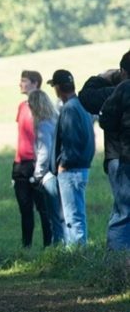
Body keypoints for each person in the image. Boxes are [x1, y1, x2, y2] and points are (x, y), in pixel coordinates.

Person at [49, 69, 95, 246]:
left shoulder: (69, 108)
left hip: (71, 169)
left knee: (72, 217)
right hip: (82, 167)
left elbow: (71, 140)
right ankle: (77, 253)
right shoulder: (81, 105)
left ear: (58, 88)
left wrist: (63, 164)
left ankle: (76, 256)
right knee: (76, 214)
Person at [12, 71, 51, 248]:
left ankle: (48, 245)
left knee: (43, 208)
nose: (20, 84)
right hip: (20, 163)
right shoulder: (21, 106)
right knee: (24, 208)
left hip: (36, 163)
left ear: (35, 83)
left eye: (24, 81)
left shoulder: (42, 106)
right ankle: (26, 245)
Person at [98, 54, 130, 251]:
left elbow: (105, 119)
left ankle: (116, 268)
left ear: (124, 72)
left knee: (123, 212)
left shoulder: (125, 88)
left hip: (127, 156)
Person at [27, 89, 63, 245]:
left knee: (54, 216)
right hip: (60, 170)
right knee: (63, 214)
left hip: (48, 175)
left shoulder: (42, 125)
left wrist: (37, 174)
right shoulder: (56, 120)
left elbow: (44, 151)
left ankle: (58, 249)